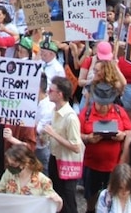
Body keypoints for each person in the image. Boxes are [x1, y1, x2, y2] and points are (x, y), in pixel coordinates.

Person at [80, 81, 131, 213]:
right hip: (92, 165)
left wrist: (122, 134)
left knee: (115, 196)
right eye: (100, 103)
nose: (104, 107)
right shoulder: (86, 113)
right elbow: (76, 134)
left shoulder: (119, 111)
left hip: (114, 166)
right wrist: (88, 138)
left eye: (107, 103)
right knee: (91, 196)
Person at [44, 75, 83, 213]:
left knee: (68, 200)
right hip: (55, 158)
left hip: (68, 163)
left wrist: (53, 134)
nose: (48, 92)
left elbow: (76, 146)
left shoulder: (70, 117)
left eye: (51, 90)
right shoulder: (55, 110)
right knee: (56, 195)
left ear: (60, 94)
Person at [0, 144, 64, 212]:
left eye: (13, 165)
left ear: (26, 162)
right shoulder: (9, 174)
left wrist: (59, 201)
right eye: (9, 164)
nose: (10, 167)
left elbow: (53, 206)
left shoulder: (43, 180)